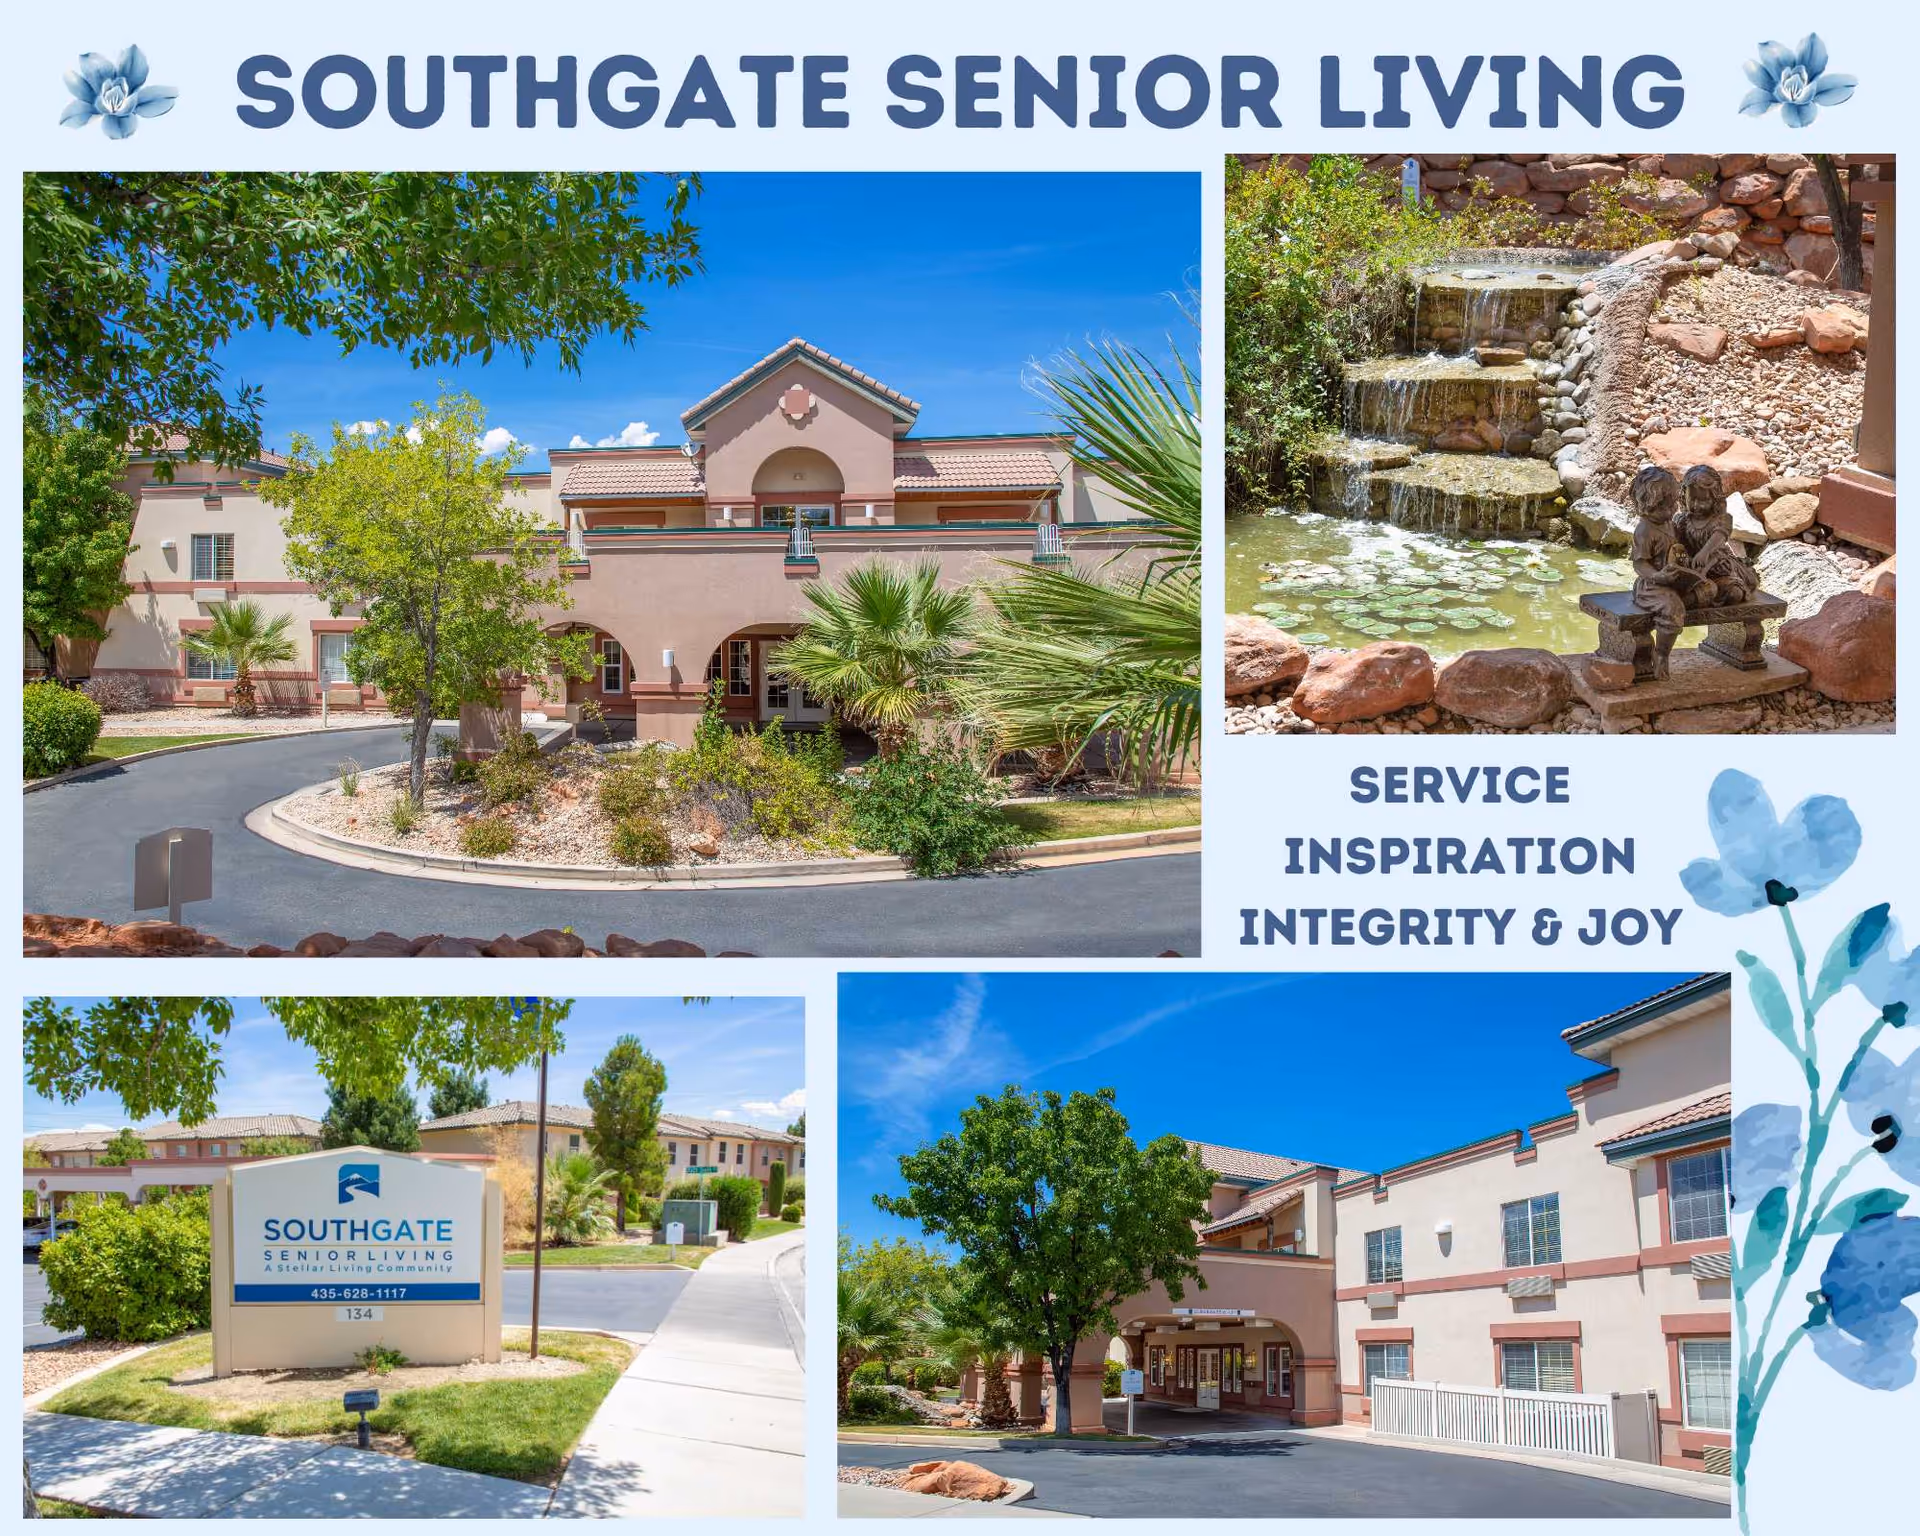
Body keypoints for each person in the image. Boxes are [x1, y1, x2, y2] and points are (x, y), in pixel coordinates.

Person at [1627, 465, 1698, 679]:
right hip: (1652, 586)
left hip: (1673, 580)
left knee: (1710, 590)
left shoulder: (1670, 523)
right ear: (1648, 505)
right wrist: (1658, 576)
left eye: (1672, 504)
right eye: (1662, 507)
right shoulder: (1645, 530)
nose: (1669, 511)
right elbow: (1640, 565)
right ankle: (1661, 653)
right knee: (1673, 608)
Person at [1677, 464, 1759, 606]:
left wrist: (1704, 553)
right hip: (1692, 569)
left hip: (1718, 567)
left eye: (1704, 500)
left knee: (1735, 593)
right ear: (1685, 495)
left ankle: (1710, 593)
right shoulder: (1683, 520)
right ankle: (1697, 593)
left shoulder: (1721, 519)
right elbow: (1677, 544)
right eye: (1693, 499)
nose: (1697, 505)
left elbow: (1719, 536)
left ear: (1715, 499)